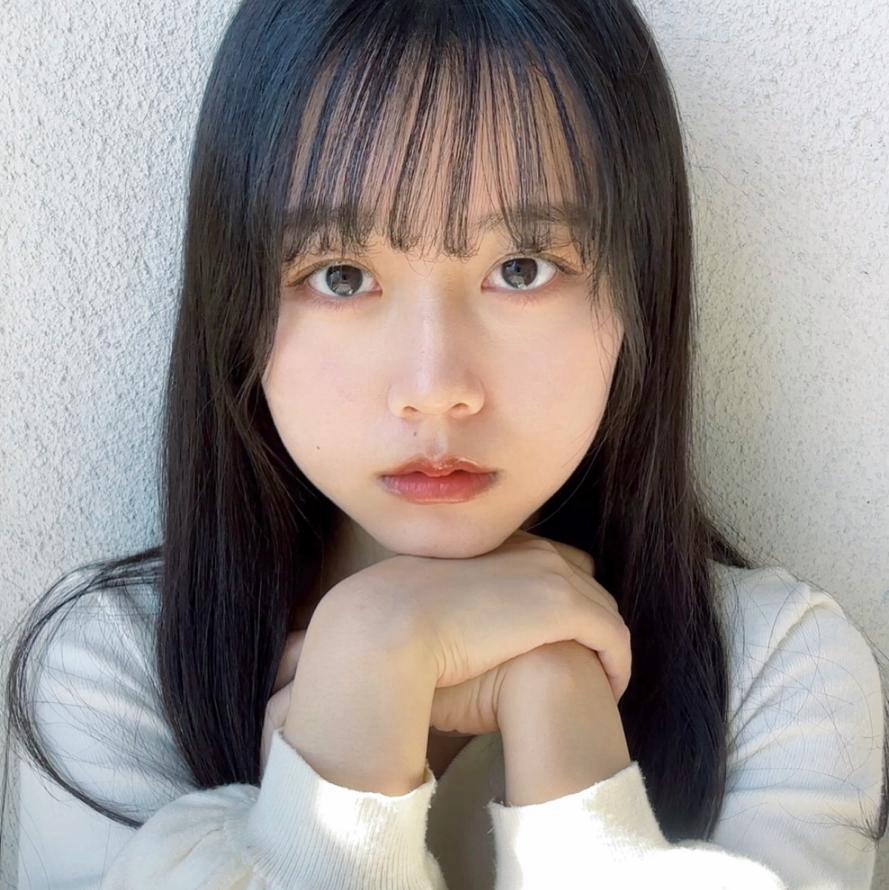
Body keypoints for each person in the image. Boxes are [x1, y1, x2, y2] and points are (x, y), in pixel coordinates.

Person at [5, 1, 887, 887]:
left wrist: (565, 727)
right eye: (340, 276)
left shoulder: (776, 672)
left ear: (635, 294)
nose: (433, 386)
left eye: (521, 270)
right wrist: (361, 685)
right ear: (236, 307)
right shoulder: (116, 669)